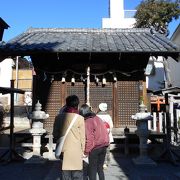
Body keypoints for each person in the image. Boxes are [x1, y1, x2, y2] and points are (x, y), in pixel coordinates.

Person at [53, 95, 85, 180]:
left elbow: (55, 134)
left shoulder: (58, 117)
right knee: (77, 174)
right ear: (77, 105)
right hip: (77, 150)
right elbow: (83, 137)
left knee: (65, 174)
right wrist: (84, 151)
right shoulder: (80, 118)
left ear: (66, 104)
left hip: (63, 149)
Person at [79, 104, 109, 180]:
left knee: (92, 170)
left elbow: (89, 139)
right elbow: (105, 132)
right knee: (100, 169)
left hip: (95, 148)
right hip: (104, 146)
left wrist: (86, 152)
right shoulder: (97, 118)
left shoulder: (88, 121)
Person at [97, 103, 114, 169]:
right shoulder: (108, 116)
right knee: (106, 150)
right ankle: (105, 163)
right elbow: (111, 126)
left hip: (99, 136)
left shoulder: (97, 116)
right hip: (107, 135)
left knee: (99, 149)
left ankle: (99, 162)